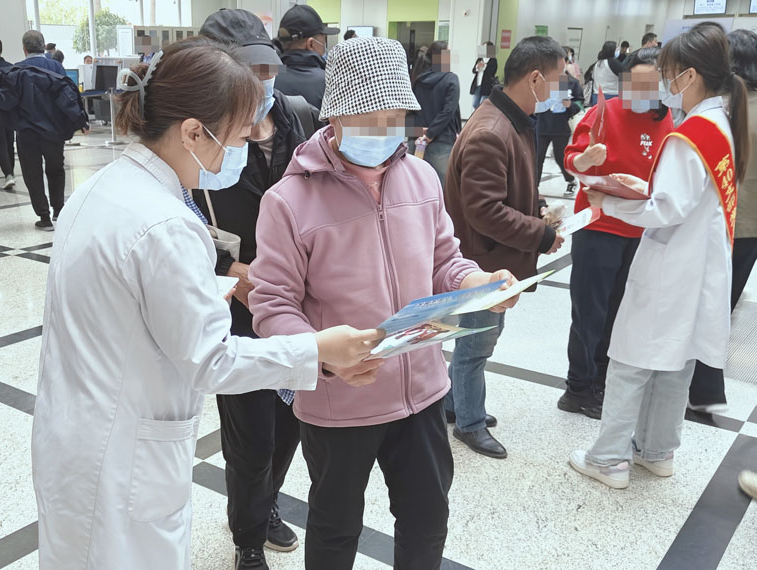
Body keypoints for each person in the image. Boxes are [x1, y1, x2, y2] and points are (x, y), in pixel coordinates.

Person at [31, 38, 382, 570]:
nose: (239, 150)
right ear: (194, 132)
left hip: (75, 434)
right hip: (120, 460)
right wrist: (316, 351)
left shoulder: (104, 187)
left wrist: (201, 290)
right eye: (237, 137)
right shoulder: (166, 224)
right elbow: (211, 360)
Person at [248, 36, 520, 570]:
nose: (383, 129)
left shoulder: (421, 177)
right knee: (334, 528)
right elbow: (273, 304)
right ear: (336, 115)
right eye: (368, 117)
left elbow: (444, 260)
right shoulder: (289, 201)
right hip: (340, 401)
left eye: (393, 116)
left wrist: (480, 281)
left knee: (426, 520)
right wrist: (324, 357)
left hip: (422, 388)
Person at [569, 22, 749, 489]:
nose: (664, 84)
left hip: (670, 266)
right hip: (698, 265)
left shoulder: (693, 133)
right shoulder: (723, 126)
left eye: (668, 73)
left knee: (630, 361)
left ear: (689, 75)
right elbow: (685, 198)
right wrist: (646, 187)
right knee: (676, 360)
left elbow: (666, 209)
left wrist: (610, 202)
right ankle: (657, 450)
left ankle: (609, 458)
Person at [196, 9, 311, 569]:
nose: (262, 83)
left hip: (296, 303)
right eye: (249, 73)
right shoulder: (202, 134)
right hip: (238, 308)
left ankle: (267, 505)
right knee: (249, 432)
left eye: (267, 69)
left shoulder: (299, 116)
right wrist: (230, 270)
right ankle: (246, 535)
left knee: (290, 422)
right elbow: (179, 218)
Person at [444, 36, 565, 459]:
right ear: (534, 79)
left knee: (477, 337)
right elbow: (485, 212)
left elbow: (512, 187)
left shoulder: (511, 120)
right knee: (476, 344)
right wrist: (541, 235)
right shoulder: (492, 132)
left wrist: (539, 207)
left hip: (495, 257)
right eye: (556, 79)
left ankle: (453, 402)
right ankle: (469, 423)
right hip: (484, 262)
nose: (560, 89)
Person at [560, 47, 673, 420]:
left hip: (639, 230)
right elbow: (572, 159)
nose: (640, 92)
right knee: (589, 310)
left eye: (649, 85)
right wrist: (585, 160)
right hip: (598, 226)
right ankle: (578, 387)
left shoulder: (665, 118)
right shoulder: (603, 111)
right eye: (634, 84)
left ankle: (602, 378)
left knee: (619, 310)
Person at [688, 29, 757, 413]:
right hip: (749, 227)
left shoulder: (718, 109)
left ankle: (699, 385)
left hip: (717, 221)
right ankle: (705, 387)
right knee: (721, 304)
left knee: (700, 303)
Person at [13, 31, 78, 229]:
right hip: (54, 130)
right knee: (56, 169)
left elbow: (11, 101)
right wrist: (78, 120)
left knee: (32, 172)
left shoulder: (17, 69)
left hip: (27, 131)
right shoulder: (56, 66)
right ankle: (58, 209)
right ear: (43, 46)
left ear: (24, 48)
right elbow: (67, 95)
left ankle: (44, 216)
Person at [410, 40, 461, 187]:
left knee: (418, 185)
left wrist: (421, 132)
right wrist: (431, 133)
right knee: (442, 187)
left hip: (418, 140)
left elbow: (412, 110)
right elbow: (448, 111)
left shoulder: (418, 79)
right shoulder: (451, 79)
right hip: (442, 140)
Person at [535, 55, 584, 197]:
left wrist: (571, 105)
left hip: (561, 126)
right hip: (542, 123)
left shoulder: (571, 83)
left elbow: (580, 101)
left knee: (560, 156)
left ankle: (570, 180)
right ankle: (534, 186)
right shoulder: (543, 80)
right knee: (538, 156)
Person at [274, 4, 339, 109]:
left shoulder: (266, 76)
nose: (324, 47)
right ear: (311, 44)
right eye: (324, 42)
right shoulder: (331, 80)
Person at [0, 37, 15, 190]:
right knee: (9, 142)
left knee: (0, 143)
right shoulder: (11, 67)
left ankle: (8, 174)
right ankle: (11, 173)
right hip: (10, 110)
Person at [470, 41, 498, 110]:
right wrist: (477, 67)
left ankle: (480, 115)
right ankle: (479, 114)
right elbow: (473, 70)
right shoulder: (480, 59)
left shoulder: (493, 60)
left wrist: (484, 66)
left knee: (482, 104)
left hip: (487, 85)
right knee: (474, 103)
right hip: (477, 84)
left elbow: (492, 72)